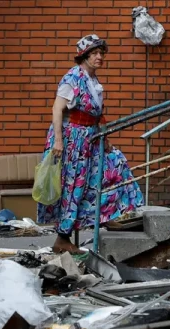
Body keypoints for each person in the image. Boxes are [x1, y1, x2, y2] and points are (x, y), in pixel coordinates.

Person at [37, 34, 144, 254]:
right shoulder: (72, 78)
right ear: (84, 56)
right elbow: (57, 109)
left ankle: (105, 215)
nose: (99, 57)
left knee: (114, 166)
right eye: (94, 53)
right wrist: (58, 140)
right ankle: (62, 238)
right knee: (73, 185)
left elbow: (97, 114)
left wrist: (105, 138)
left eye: (101, 53)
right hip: (72, 140)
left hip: (91, 138)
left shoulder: (93, 81)